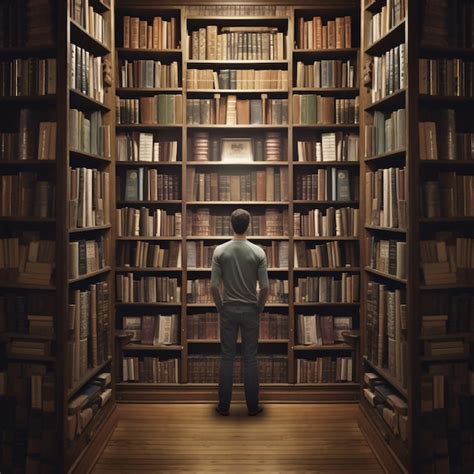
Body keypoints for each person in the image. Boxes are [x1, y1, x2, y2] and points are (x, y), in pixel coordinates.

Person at [211, 208, 269, 416]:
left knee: (227, 357)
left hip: (228, 309)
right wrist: (259, 308)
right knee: (250, 358)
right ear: (249, 225)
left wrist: (221, 307)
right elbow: (264, 287)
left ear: (230, 225)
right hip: (250, 310)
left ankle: (223, 406)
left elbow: (213, 286)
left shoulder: (220, 251)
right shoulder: (258, 252)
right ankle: (252, 406)